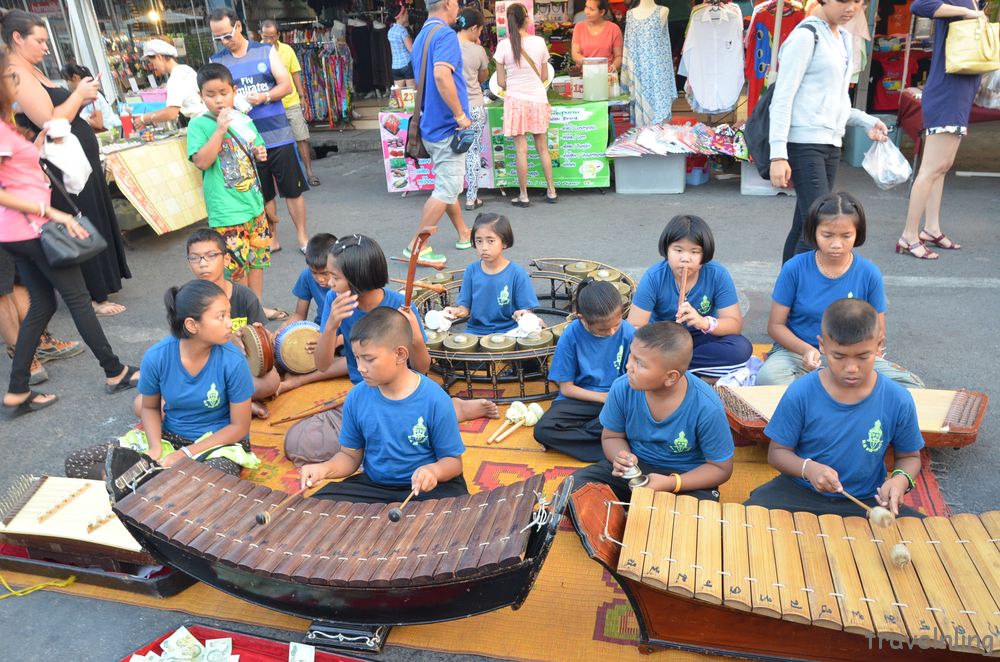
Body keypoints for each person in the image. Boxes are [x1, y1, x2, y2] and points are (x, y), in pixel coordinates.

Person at [0, 48, 139, 417]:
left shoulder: (6, 125)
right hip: (31, 228)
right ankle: (115, 370)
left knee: (43, 304)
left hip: (19, 232)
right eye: (10, 76)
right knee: (78, 300)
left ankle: (17, 390)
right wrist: (52, 213)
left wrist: (35, 147)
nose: (15, 81)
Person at [5, 9, 132, 317]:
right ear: (17, 38)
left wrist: (81, 98)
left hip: (75, 157)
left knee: (90, 213)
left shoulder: (32, 69)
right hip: (59, 162)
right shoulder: (16, 73)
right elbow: (49, 120)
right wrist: (79, 95)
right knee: (78, 216)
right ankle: (92, 294)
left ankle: (100, 286)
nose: (46, 47)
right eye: (40, 41)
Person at [745, 299, 923, 517]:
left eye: (862, 356)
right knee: (748, 517)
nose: (851, 368)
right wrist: (808, 469)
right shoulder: (801, 391)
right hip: (800, 491)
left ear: (879, 345)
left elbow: (910, 457)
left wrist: (899, 479)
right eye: (839, 356)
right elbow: (777, 453)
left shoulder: (898, 399)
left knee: (928, 538)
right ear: (822, 345)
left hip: (865, 500)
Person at [66, 280, 258, 479]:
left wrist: (186, 454)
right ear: (192, 325)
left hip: (217, 446)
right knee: (78, 462)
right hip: (170, 438)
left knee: (204, 480)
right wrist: (155, 447)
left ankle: (150, 486)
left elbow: (239, 427)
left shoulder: (233, 361)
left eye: (228, 313)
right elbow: (149, 407)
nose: (230, 322)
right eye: (221, 316)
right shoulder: (157, 357)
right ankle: (132, 485)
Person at [314, 234, 497, 422]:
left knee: (406, 423)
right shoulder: (334, 300)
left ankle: (455, 408)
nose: (329, 283)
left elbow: (422, 367)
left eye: (335, 277)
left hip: (404, 386)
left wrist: (416, 337)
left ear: (357, 278)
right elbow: (322, 365)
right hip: (366, 386)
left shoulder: (400, 304)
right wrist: (330, 327)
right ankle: (447, 408)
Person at [300, 308, 468, 503]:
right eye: (356, 358)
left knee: (457, 513)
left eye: (369, 359)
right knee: (319, 504)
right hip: (375, 486)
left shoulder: (435, 399)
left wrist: (433, 471)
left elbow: (454, 463)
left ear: (400, 354)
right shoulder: (356, 397)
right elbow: (349, 457)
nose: (360, 367)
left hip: (428, 488)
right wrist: (323, 469)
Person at [757, 192, 924, 388]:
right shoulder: (794, 268)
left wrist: (860, 358)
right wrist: (805, 350)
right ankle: (833, 391)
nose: (836, 244)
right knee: (769, 378)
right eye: (827, 235)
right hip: (798, 354)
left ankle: (823, 389)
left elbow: (878, 331)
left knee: (912, 386)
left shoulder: (869, 273)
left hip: (853, 356)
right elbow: (775, 326)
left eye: (846, 236)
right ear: (814, 232)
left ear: (857, 233)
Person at [767, 0, 889, 263]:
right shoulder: (805, 36)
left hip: (831, 143)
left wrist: (865, 121)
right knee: (819, 226)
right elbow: (782, 98)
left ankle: (786, 295)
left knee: (805, 224)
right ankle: (798, 296)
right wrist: (778, 154)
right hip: (804, 142)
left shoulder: (843, 37)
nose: (852, 8)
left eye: (859, 2)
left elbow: (835, 98)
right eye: (844, 0)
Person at [570, 322, 735, 502]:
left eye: (639, 363)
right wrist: (622, 458)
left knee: (693, 521)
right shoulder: (622, 388)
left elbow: (720, 468)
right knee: (574, 488)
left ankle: (632, 517)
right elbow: (611, 437)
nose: (628, 367)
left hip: (685, 479)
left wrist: (672, 483)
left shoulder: (707, 406)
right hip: (636, 472)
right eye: (631, 356)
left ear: (670, 377)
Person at [208, 7, 310, 254]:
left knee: (292, 190)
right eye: (218, 37)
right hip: (245, 141)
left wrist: (264, 96)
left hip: (279, 135)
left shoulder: (265, 51)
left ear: (238, 27)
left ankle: (303, 237)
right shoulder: (217, 61)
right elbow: (213, 97)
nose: (224, 41)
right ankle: (271, 237)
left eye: (227, 35)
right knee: (263, 193)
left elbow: (286, 85)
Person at [187, 63, 280, 320]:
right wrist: (220, 130)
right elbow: (202, 162)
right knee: (232, 269)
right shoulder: (199, 126)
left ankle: (256, 310)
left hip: (253, 205)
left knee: (258, 261)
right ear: (200, 96)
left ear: (234, 91)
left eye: (223, 92)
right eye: (210, 94)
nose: (218, 99)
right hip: (227, 212)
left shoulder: (245, 119)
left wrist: (260, 153)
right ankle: (232, 314)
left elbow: (258, 152)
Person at [896, 0, 987, 260]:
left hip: (959, 89)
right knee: (931, 168)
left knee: (942, 167)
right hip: (948, 89)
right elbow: (920, 5)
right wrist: (966, 12)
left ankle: (930, 228)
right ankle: (909, 234)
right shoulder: (965, 3)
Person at [627, 215, 753, 381]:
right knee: (626, 355)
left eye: (694, 252)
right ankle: (690, 374)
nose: (685, 258)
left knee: (741, 348)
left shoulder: (717, 274)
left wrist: (703, 322)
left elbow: (734, 324)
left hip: (699, 340)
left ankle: (670, 371)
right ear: (667, 250)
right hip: (662, 341)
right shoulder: (654, 277)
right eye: (678, 250)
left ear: (704, 255)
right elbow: (634, 327)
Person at [534, 280, 635, 461]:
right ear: (582, 318)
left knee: (637, 417)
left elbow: (635, 379)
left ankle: (595, 437)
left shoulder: (628, 332)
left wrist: (614, 398)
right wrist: (603, 397)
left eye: (616, 324)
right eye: (603, 329)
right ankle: (613, 441)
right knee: (543, 430)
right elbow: (566, 388)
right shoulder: (571, 333)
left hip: (618, 399)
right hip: (581, 399)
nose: (612, 332)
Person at [405, 0, 473, 265]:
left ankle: (464, 232)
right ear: (447, 3)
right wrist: (460, 116)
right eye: (457, 3)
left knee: (447, 182)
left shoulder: (422, 34)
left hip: (431, 125)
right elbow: (442, 76)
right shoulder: (445, 34)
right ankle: (417, 245)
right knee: (448, 186)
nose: (458, 8)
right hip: (446, 125)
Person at [185, 229, 280, 418]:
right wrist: (226, 342)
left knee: (270, 382)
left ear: (227, 260)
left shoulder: (244, 296)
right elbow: (186, 348)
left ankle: (225, 404)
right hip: (205, 370)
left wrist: (259, 337)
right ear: (189, 264)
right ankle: (237, 405)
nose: (203, 264)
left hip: (240, 369)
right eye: (195, 258)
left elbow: (263, 341)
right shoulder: (187, 300)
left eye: (211, 256)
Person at [494, 3, 557, 207]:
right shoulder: (539, 42)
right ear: (526, 19)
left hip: (516, 101)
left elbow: (501, 82)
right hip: (538, 99)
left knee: (522, 150)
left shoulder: (503, 46)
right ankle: (552, 191)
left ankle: (523, 195)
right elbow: (545, 75)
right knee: (542, 148)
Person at [275, 232, 348, 395]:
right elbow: (299, 315)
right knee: (281, 352)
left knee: (353, 361)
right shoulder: (307, 276)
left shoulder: (348, 280)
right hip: (320, 331)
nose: (319, 279)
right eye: (314, 272)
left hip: (348, 338)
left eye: (325, 273)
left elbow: (361, 332)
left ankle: (300, 380)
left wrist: (335, 341)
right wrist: (285, 329)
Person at [442, 213, 538, 335]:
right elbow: (465, 309)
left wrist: (523, 314)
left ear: (504, 243)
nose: (484, 247)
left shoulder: (517, 273)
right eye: (479, 241)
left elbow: (528, 310)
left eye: (490, 241)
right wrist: (454, 311)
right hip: (475, 331)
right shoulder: (471, 271)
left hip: (510, 331)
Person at [260, 20, 320, 187]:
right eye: (265, 37)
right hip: (269, 104)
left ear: (278, 35)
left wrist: (302, 96)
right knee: (272, 143)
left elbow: (295, 75)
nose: (268, 40)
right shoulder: (256, 52)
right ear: (260, 35)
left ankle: (309, 173)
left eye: (271, 37)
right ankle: (277, 180)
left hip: (290, 101)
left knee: (301, 138)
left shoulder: (287, 50)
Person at [454, 7, 489, 212]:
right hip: (474, 106)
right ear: (474, 28)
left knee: (452, 152)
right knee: (473, 151)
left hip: (451, 109)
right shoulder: (478, 50)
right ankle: (471, 198)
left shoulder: (446, 46)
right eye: (480, 30)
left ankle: (450, 194)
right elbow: (482, 77)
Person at [133, 38, 207, 129]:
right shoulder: (186, 69)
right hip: (207, 119)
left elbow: (171, 113)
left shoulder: (175, 78)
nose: (153, 67)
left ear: (159, 56)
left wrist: (144, 118)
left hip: (201, 123)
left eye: (152, 62)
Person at [61, 63, 120, 133]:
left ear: (74, 77)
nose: (67, 84)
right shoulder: (87, 94)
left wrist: (85, 119)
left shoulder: (91, 95)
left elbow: (98, 124)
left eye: (67, 80)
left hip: (110, 133)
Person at [571, 0, 623, 71]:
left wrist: (614, 66)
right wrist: (593, 65)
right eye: (586, 7)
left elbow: (618, 56)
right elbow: (575, 54)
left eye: (591, 9)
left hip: (606, 74)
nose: (587, 12)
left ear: (602, 12)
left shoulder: (614, 29)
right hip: (585, 74)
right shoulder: (579, 27)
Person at [388, 4, 416, 89]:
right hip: (406, 65)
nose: (408, 15)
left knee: (398, 96)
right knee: (411, 97)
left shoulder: (390, 31)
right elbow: (411, 50)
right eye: (406, 13)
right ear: (401, 16)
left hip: (395, 67)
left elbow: (392, 52)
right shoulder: (403, 31)